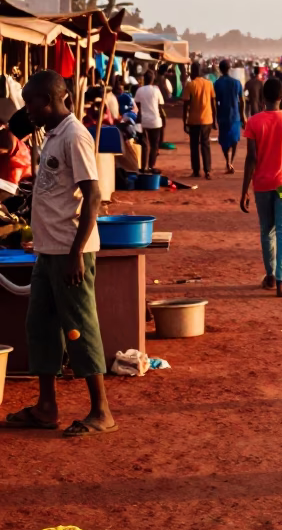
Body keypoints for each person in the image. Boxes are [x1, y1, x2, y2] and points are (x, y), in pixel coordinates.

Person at [5, 70, 115, 435]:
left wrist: (74, 254)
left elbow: (93, 195)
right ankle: (46, 406)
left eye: (30, 102)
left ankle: (101, 411)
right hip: (47, 250)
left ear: (48, 101)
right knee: (40, 326)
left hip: (71, 252)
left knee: (79, 329)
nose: (27, 110)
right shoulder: (52, 135)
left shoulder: (75, 136)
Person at [240, 77, 282, 299]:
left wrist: (244, 190)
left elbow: (251, 158)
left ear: (263, 96)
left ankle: (269, 275)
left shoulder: (254, 122)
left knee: (267, 230)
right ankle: (281, 281)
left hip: (262, 183)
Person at [182, 61, 217, 179]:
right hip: (207, 119)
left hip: (193, 120)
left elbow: (186, 105)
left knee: (194, 146)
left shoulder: (190, 85)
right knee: (205, 145)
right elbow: (213, 103)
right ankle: (208, 170)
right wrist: (214, 120)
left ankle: (196, 171)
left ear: (192, 71)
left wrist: (184, 121)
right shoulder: (209, 84)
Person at [214, 59, 246, 174]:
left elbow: (215, 102)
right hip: (235, 115)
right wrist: (243, 116)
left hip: (222, 115)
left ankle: (227, 161)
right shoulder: (236, 83)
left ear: (220, 69)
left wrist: (215, 117)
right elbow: (242, 101)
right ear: (229, 68)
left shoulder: (217, 83)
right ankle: (231, 161)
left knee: (223, 140)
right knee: (235, 139)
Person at [134, 70, 166, 171]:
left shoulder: (139, 90)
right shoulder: (156, 90)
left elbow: (138, 106)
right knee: (154, 145)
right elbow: (160, 106)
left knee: (145, 145)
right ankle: (151, 166)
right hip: (155, 121)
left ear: (144, 79)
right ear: (153, 79)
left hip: (144, 121)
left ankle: (144, 167)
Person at [0, 118, 32, 184]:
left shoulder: (10, 134)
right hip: (11, 181)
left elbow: (9, 150)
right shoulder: (20, 144)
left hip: (8, 181)